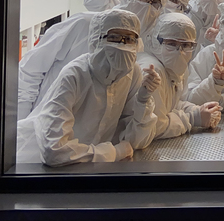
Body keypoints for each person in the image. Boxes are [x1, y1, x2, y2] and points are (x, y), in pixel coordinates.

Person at [16, 9, 158, 166]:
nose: (122, 45)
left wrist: (143, 100)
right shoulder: (75, 75)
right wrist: (113, 153)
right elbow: (54, 150)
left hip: (82, 167)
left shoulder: (133, 74)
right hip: (32, 163)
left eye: (129, 39)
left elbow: (134, 143)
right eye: (114, 37)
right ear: (96, 39)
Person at [17, 0, 168, 119]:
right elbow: (30, 69)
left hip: (83, 140)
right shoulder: (83, 24)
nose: (148, 5)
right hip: (41, 120)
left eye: (155, 3)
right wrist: (21, 120)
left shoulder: (138, 51)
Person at [137, 13, 222, 139]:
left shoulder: (174, 69)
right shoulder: (152, 70)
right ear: (155, 41)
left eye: (186, 45)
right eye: (171, 43)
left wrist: (197, 110)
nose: (179, 51)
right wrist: (193, 118)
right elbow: (153, 127)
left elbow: (171, 105)